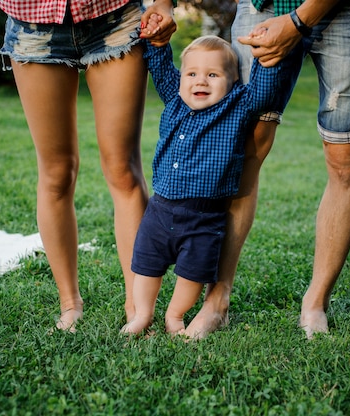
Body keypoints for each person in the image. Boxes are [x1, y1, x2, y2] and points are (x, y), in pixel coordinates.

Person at [183, 0, 350, 339]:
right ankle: (216, 300)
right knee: (242, 147)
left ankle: (315, 302)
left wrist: (298, 22)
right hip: (266, 5)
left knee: (346, 160)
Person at [0, 0, 176, 332]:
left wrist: (163, 3)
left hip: (114, 17)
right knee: (56, 173)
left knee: (123, 169)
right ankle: (69, 303)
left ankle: (137, 306)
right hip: (33, 23)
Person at [121, 33, 289, 335]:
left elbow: (263, 91)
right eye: (192, 73)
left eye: (213, 75)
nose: (201, 81)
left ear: (233, 81)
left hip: (204, 217)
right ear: (182, 77)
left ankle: (175, 316)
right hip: (159, 211)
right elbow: (160, 66)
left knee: (192, 275)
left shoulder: (238, 106)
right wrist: (157, 42)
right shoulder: (175, 97)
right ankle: (142, 315)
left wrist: (268, 59)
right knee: (146, 267)